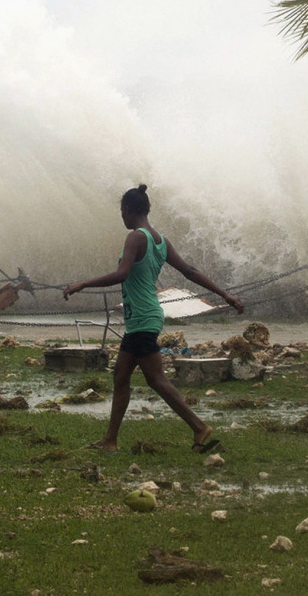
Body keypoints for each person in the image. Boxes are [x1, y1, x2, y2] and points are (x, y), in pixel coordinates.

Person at [63, 184, 244, 453]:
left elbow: (122, 273)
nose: (121, 217)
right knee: (121, 376)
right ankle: (110, 440)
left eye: (121, 212)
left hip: (143, 317)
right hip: (143, 316)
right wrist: (225, 294)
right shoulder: (160, 240)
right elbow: (190, 271)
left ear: (127, 210)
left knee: (156, 379)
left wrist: (83, 284)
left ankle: (198, 427)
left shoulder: (136, 238)